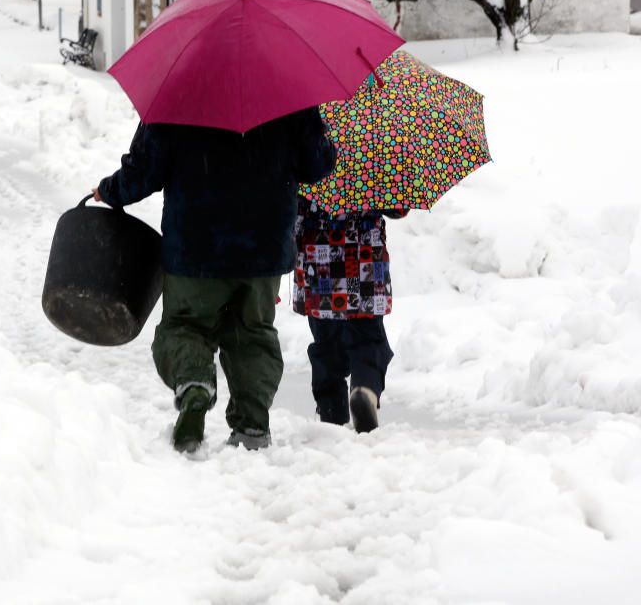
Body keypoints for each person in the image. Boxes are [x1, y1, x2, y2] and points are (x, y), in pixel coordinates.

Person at [94, 108, 336, 453]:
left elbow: (143, 172)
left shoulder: (178, 95)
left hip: (195, 248)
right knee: (252, 334)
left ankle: (194, 384)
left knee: (183, 327)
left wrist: (109, 191)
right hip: (263, 248)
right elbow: (318, 165)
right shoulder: (288, 96)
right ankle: (252, 425)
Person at [292, 197, 407, 433]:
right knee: (370, 340)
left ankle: (331, 412)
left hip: (320, 260)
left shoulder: (312, 162)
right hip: (364, 257)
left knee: (326, 345)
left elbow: (293, 213)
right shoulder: (375, 161)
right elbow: (398, 208)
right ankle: (364, 389)